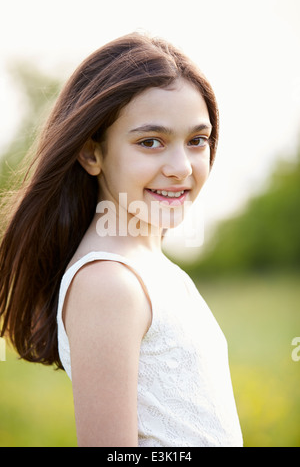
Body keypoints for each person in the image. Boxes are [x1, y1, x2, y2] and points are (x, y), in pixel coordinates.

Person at [0, 33, 243, 447]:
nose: (181, 167)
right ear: (91, 154)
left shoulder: (147, 267)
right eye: (150, 142)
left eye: (196, 140)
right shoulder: (108, 283)